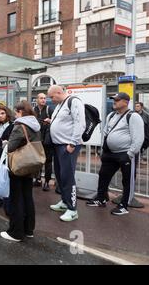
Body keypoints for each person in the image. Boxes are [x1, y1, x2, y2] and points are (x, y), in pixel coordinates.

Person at [87, 93, 144, 215]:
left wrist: (130, 153)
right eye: (114, 100)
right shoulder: (111, 115)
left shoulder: (133, 116)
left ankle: (124, 205)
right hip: (110, 154)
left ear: (125, 102)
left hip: (125, 154)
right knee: (103, 175)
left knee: (127, 180)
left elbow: (138, 138)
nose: (114, 102)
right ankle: (101, 198)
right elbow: (106, 132)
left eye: (117, 100)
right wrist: (104, 150)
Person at [0, 101, 41, 242]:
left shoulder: (20, 125)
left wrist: (5, 143)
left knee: (16, 198)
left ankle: (16, 232)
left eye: (16, 112)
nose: (15, 115)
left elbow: (11, 146)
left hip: (18, 166)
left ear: (21, 112)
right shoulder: (36, 125)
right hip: (30, 165)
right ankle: (29, 229)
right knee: (28, 197)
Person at [47, 85, 86, 222]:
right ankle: (64, 201)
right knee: (60, 175)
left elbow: (80, 123)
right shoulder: (60, 105)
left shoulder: (74, 101)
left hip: (68, 146)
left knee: (68, 176)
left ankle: (72, 209)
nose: (51, 99)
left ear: (58, 92)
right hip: (58, 145)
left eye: (52, 96)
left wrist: (72, 143)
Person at [0, 105, 14, 210]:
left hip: (8, 156)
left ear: (7, 113)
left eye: (2, 113)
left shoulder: (12, 125)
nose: (0, 116)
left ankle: (6, 198)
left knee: (6, 176)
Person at [34, 93, 54, 191]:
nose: (43, 100)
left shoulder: (49, 109)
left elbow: (55, 121)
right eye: (41, 98)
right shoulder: (34, 110)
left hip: (47, 140)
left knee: (48, 161)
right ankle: (38, 179)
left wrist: (50, 120)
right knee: (37, 160)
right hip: (37, 139)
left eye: (44, 98)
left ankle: (46, 181)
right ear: (37, 100)